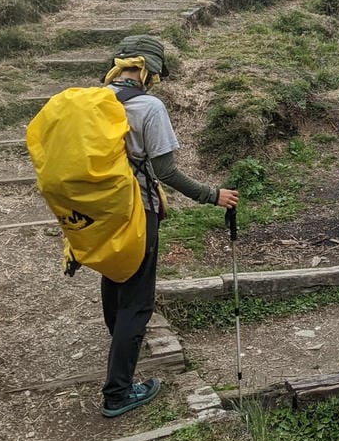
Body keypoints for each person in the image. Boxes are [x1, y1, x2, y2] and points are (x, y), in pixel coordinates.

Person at [98, 34, 239, 418]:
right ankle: (118, 393)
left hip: (100, 213)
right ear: (151, 72)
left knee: (113, 282)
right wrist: (213, 195)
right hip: (136, 212)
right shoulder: (148, 107)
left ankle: (120, 352)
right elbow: (166, 171)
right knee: (138, 302)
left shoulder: (92, 100)